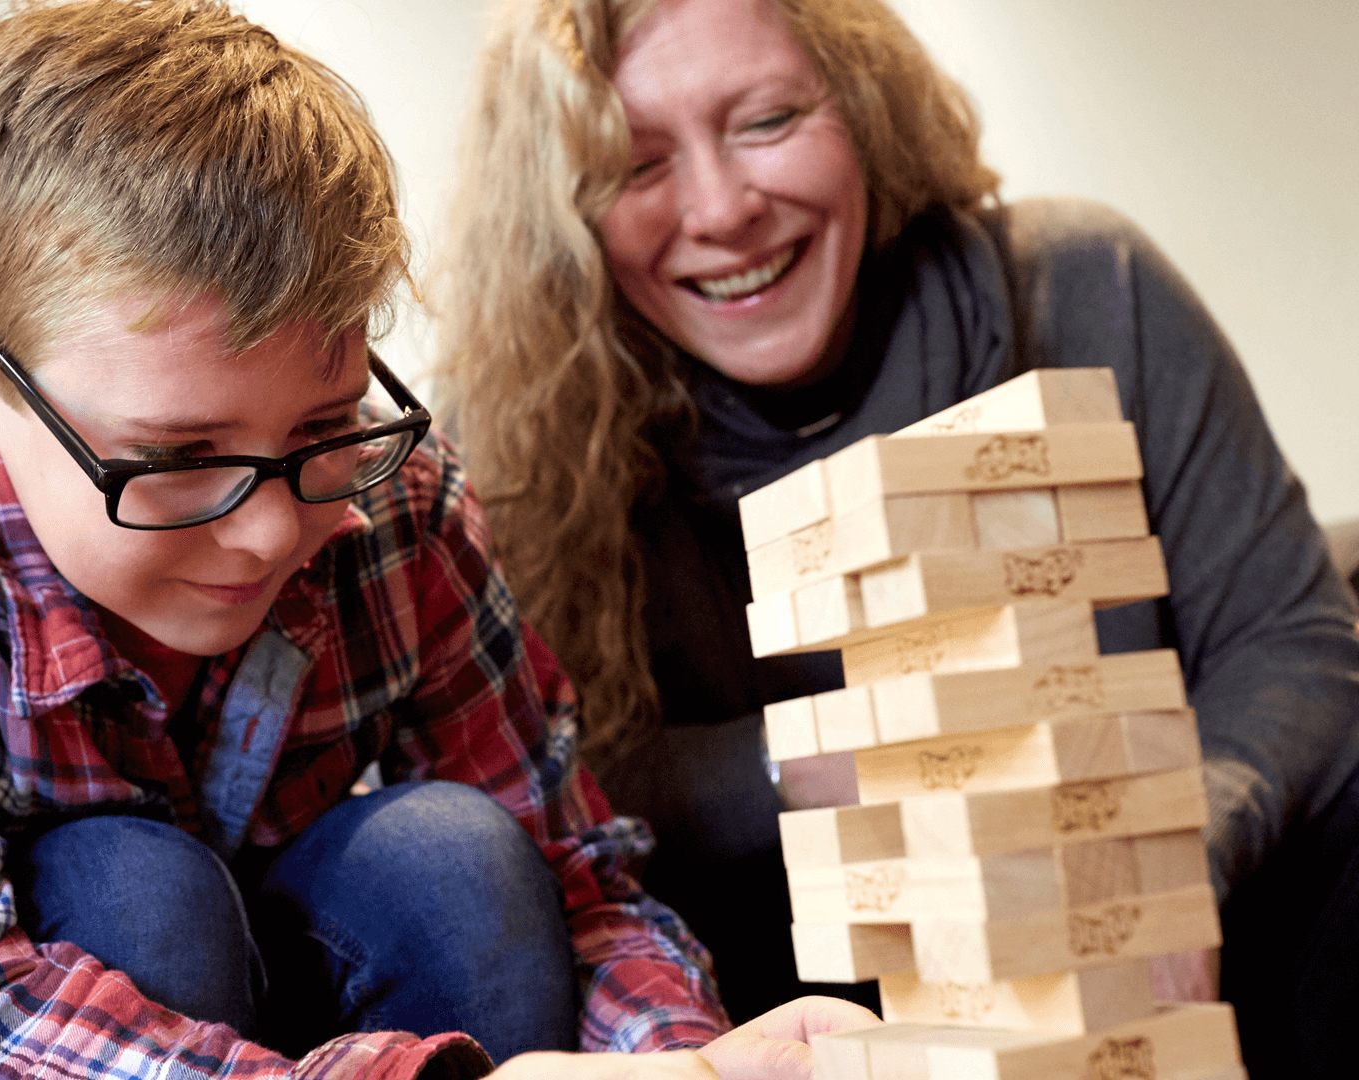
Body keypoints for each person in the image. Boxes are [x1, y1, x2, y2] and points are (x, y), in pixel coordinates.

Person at [0, 3, 877, 1079]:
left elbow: (579, 877)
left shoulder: (393, 500)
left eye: (322, 426)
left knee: (448, 859)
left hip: (232, 985)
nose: (266, 532)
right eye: (179, 458)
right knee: (135, 887)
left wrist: (692, 1063)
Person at [435, 0, 1359, 1071]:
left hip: (1189, 949)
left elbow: (1288, 637)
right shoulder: (516, 432)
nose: (723, 207)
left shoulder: (1080, 284)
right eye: (636, 166)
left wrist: (1165, 855)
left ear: (862, 103)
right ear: (558, 216)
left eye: (769, 120)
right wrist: (801, 764)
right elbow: (547, 785)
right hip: (788, 992)